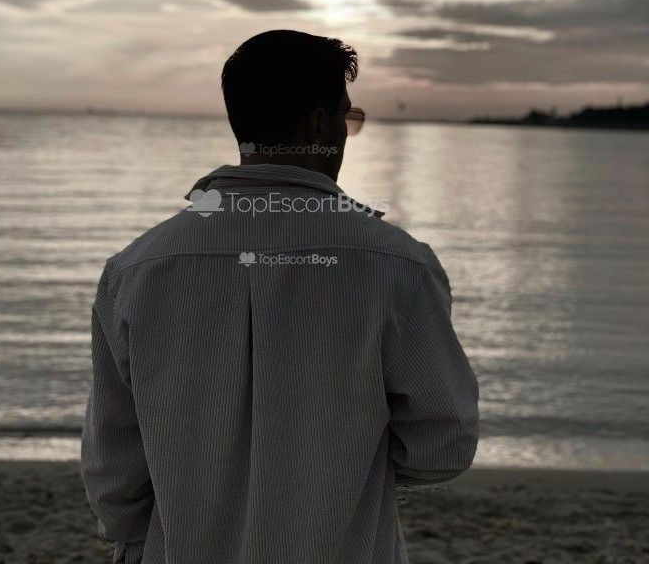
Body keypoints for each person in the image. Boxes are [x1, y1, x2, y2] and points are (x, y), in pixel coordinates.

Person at [80, 29, 479, 564]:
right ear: (318, 125)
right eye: (346, 117)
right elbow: (443, 446)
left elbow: (113, 467)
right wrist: (343, 470)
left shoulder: (136, 269)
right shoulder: (396, 265)